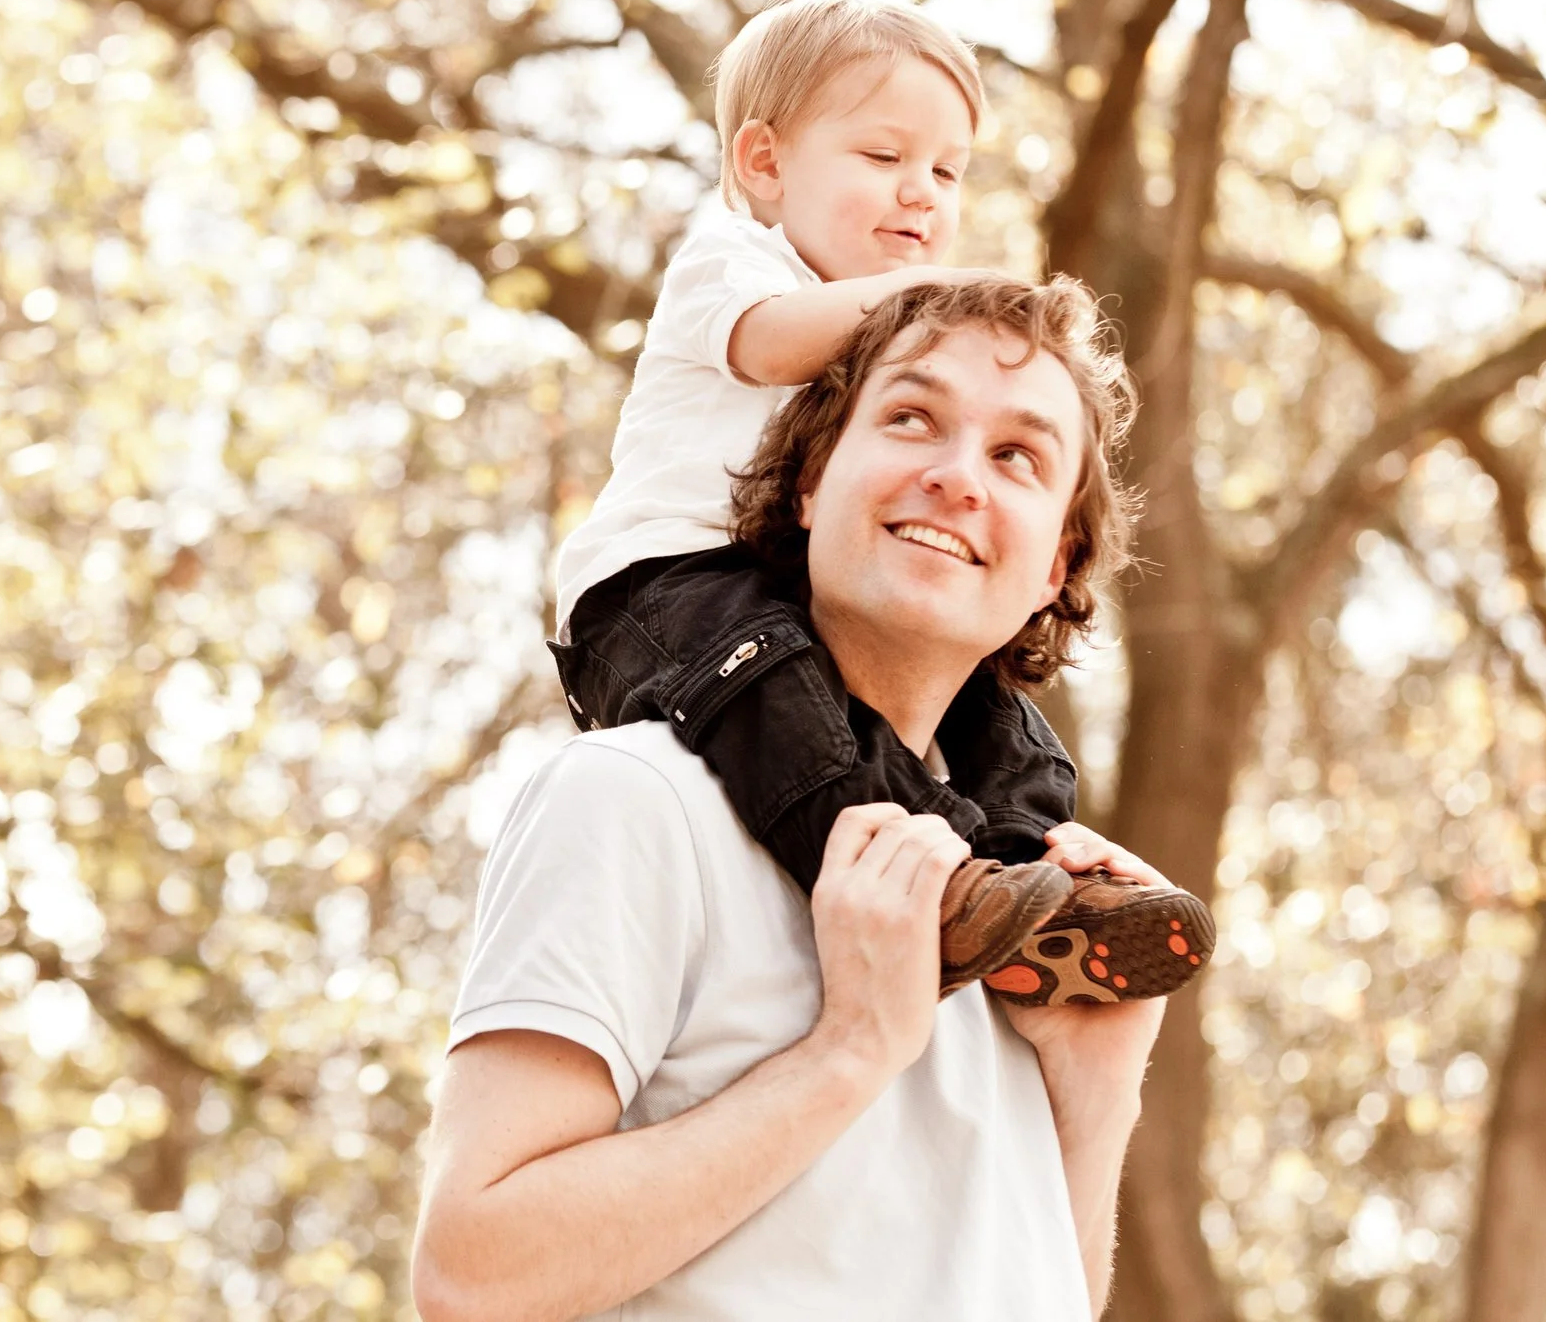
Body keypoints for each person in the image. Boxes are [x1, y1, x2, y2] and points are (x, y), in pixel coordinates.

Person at [413, 279, 1181, 1320]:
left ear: (1056, 563)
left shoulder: (1015, 906)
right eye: (911, 417)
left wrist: (1097, 1095)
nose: (956, 477)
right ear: (814, 477)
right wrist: (850, 1048)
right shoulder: (632, 799)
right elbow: (472, 1273)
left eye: (1017, 456)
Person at [550, 0, 1210, 998]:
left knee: (1000, 711)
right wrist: (935, 294)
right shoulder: (733, 261)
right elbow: (769, 343)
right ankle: (926, 886)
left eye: (946, 171)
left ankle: (1039, 866)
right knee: (774, 690)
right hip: (658, 588)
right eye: (884, 158)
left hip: (773, 583)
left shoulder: (886, 328)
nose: (922, 195)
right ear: (763, 164)